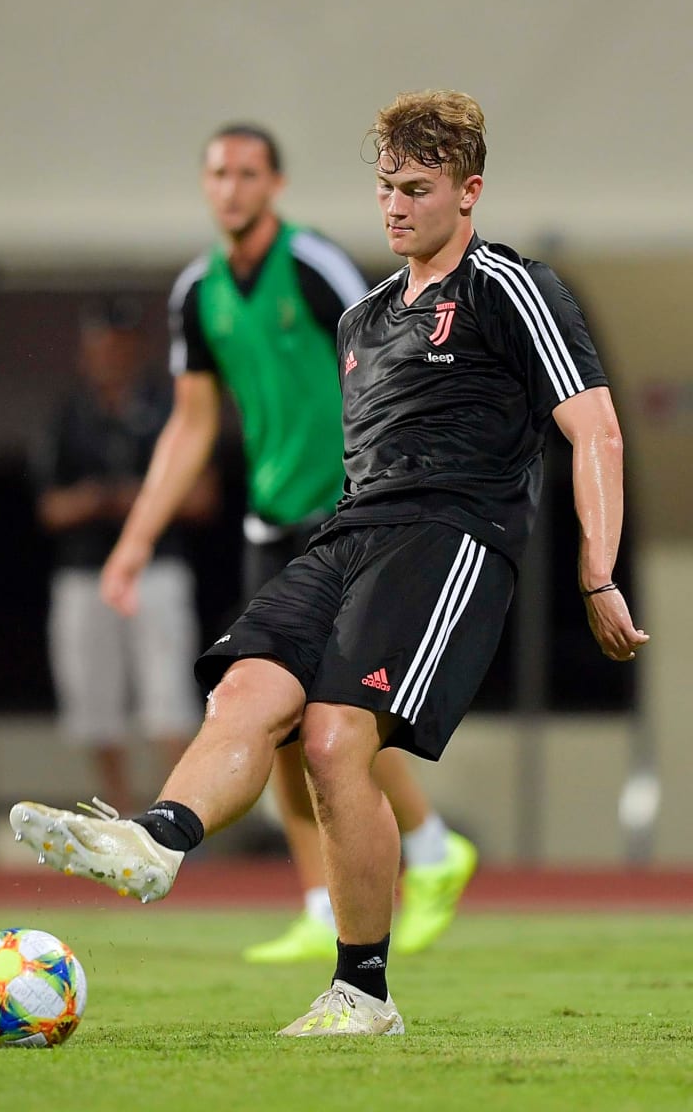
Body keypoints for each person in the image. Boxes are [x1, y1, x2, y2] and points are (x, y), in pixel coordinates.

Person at [10, 90, 648, 1036]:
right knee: (247, 688)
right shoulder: (363, 323)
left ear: (469, 193)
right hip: (346, 534)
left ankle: (363, 992)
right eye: (387, 187)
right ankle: (155, 839)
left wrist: (597, 572)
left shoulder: (509, 286)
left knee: (336, 738)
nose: (395, 207)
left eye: (418, 188)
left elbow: (593, 428)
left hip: (452, 541)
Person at [122, 123, 477, 960]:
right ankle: (324, 902)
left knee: (333, 710)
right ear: (204, 185)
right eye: (218, 173)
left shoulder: (313, 266)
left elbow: (386, 358)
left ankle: (426, 849)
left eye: (248, 172)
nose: (232, 187)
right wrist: (136, 538)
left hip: (346, 513)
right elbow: (192, 423)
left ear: (274, 184)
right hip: (268, 523)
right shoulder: (196, 292)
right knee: (268, 710)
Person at [34, 298, 219, 814]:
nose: (110, 357)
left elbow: (203, 495)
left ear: (138, 350)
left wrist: (140, 500)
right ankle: (118, 816)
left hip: (154, 569)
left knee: (168, 699)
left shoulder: (167, 411)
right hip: (86, 571)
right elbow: (49, 505)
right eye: (101, 347)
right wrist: (96, 498)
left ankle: (176, 818)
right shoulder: (71, 414)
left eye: (120, 346)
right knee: (94, 704)